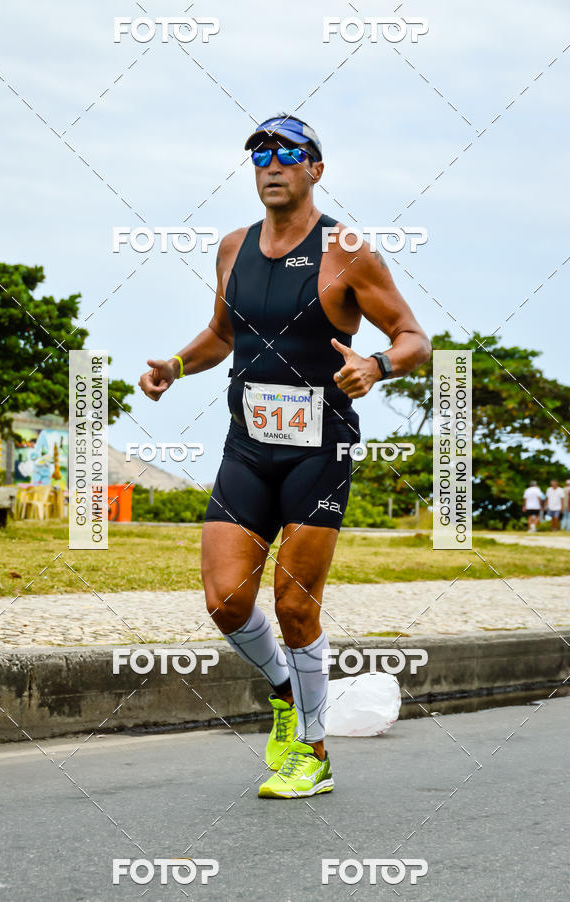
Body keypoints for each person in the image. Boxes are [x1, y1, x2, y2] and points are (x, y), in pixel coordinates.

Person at [139, 114, 431, 799]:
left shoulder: (349, 251)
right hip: (248, 444)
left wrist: (378, 364)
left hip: (318, 447)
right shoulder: (231, 248)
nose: (271, 164)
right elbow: (221, 334)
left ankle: (313, 749)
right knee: (225, 600)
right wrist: (176, 366)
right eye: (260, 153)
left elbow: (413, 335)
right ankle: (282, 690)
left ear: (315, 169)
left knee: (295, 607)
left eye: (287, 153)